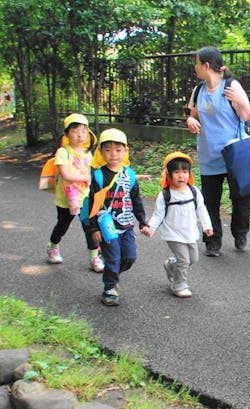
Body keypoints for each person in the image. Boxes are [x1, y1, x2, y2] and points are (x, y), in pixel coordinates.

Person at [185, 46, 250, 257]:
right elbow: (192, 114)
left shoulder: (231, 86)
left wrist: (241, 101)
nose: (195, 67)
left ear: (206, 66)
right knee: (210, 201)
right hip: (209, 155)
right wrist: (190, 120)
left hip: (235, 154)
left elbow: (246, 115)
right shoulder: (198, 90)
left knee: (240, 197)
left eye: (197, 63)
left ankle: (240, 233)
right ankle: (212, 241)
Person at [85, 129, 151, 306]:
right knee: (113, 258)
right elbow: (93, 203)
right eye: (108, 149)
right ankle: (109, 288)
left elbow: (136, 200)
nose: (113, 154)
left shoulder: (129, 175)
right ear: (101, 152)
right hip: (107, 226)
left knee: (129, 257)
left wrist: (143, 222)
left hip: (126, 224)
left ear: (125, 151)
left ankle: (111, 275)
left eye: (118, 149)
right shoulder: (99, 176)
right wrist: (94, 228)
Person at [142, 152, 213, 298]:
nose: (181, 176)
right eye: (176, 172)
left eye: (185, 172)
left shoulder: (194, 191)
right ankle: (179, 285)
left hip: (190, 232)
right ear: (169, 174)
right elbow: (158, 214)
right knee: (184, 260)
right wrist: (151, 227)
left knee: (193, 259)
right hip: (173, 233)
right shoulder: (165, 195)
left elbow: (201, 208)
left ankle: (170, 264)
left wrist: (207, 226)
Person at [45, 113, 103, 272]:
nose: (80, 135)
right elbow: (66, 175)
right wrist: (85, 177)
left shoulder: (88, 153)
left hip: (84, 197)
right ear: (67, 134)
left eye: (83, 131)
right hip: (66, 199)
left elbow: (93, 174)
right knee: (62, 225)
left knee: (89, 227)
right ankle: (52, 246)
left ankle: (94, 257)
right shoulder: (63, 152)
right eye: (75, 131)